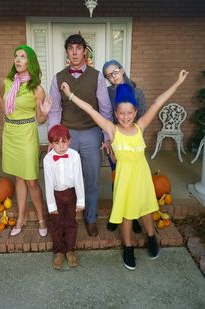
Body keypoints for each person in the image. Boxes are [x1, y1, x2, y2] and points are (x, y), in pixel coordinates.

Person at [60, 69, 189, 270]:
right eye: (121, 113)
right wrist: (70, 95)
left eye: (130, 113)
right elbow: (91, 110)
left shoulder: (140, 127)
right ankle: (128, 247)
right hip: (125, 178)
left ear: (135, 112)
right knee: (127, 215)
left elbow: (157, 103)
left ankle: (151, 237)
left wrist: (178, 83)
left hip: (142, 176)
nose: (126, 117)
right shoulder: (112, 130)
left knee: (146, 210)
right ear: (115, 114)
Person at [48, 34, 113, 236]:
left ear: (85, 51)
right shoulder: (58, 77)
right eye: (70, 48)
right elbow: (54, 111)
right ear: (67, 52)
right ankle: (68, 219)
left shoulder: (97, 76)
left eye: (78, 48)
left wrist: (106, 136)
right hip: (66, 137)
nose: (75, 52)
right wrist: (53, 138)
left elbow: (105, 109)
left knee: (91, 179)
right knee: (64, 179)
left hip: (91, 134)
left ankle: (91, 218)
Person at [0, 45, 52, 237]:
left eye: (22, 57)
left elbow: (40, 119)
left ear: (30, 61)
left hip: (27, 134)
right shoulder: (7, 82)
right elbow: (0, 98)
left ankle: (41, 218)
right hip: (10, 133)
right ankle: (20, 218)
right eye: (16, 57)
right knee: (18, 178)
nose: (18, 60)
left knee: (31, 180)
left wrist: (45, 113)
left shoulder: (37, 89)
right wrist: (5, 114)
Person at [102, 60, 147, 233]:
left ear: (122, 70)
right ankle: (117, 212)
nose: (112, 77)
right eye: (108, 75)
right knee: (118, 179)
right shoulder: (107, 93)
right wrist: (107, 139)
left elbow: (142, 117)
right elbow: (104, 117)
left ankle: (133, 216)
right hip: (115, 141)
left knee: (133, 182)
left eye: (114, 72)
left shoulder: (137, 92)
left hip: (132, 143)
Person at [43, 124, 85, 270]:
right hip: (56, 195)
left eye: (64, 141)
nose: (61, 146)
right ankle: (59, 251)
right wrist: (51, 205)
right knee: (56, 223)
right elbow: (48, 184)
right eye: (56, 142)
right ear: (51, 144)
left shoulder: (74, 156)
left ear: (70, 141)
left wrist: (80, 200)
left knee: (70, 222)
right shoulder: (48, 159)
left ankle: (70, 250)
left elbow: (79, 179)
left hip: (71, 193)